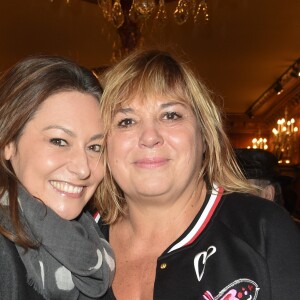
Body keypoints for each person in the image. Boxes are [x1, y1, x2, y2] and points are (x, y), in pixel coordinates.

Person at [97, 49, 300, 300]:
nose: (149, 137)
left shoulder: (263, 232)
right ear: (103, 143)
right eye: (126, 121)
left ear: (204, 136)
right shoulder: (76, 239)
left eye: (170, 115)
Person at [0, 56, 115, 300]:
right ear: (9, 142)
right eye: (59, 141)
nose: (83, 169)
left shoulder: (92, 243)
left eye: (95, 147)